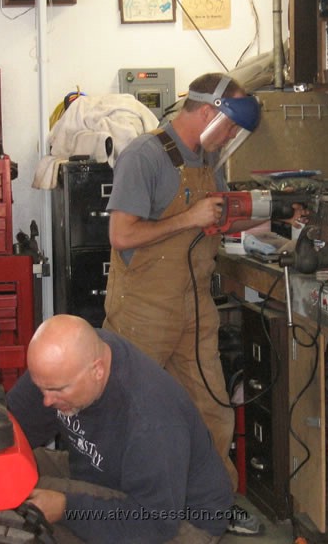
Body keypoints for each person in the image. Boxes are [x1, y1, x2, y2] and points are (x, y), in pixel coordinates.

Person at [103, 72, 306, 535]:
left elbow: (208, 221)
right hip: (143, 310)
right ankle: (116, 508)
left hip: (194, 305)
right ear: (209, 112)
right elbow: (121, 235)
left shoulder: (205, 161)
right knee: (128, 409)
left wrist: (275, 215)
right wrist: (189, 217)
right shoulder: (145, 156)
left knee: (210, 409)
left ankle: (213, 506)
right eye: (231, 126)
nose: (232, 136)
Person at [7, 314, 234, 544]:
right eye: (41, 387)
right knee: (9, 470)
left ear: (97, 370)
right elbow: (13, 424)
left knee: (27, 509)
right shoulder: (68, 364)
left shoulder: (152, 420)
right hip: (107, 475)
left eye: (57, 390)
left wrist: (66, 508)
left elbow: (155, 523)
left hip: (175, 520)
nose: (46, 401)